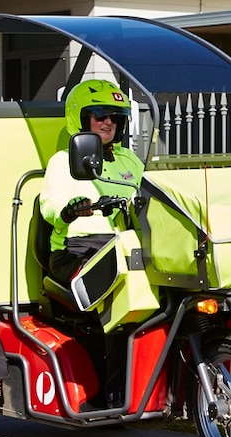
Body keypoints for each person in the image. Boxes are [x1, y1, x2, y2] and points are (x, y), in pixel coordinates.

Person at [40, 79, 144, 286]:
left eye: (115, 116)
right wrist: (71, 210)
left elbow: (149, 194)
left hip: (126, 246)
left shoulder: (129, 160)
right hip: (75, 249)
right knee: (111, 278)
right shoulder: (63, 160)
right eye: (100, 115)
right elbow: (50, 207)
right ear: (81, 117)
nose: (109, 122)